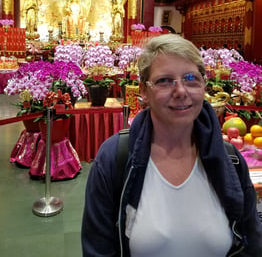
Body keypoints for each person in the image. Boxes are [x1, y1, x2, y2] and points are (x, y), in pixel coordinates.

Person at [81, 34, 262, 257]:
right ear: (144, 91)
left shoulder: (230, 160)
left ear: (203, 85)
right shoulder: (115, 158)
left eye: (191, 78)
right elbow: (97, 249)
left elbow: (251, 243)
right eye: (165, 80)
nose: (181, 91)